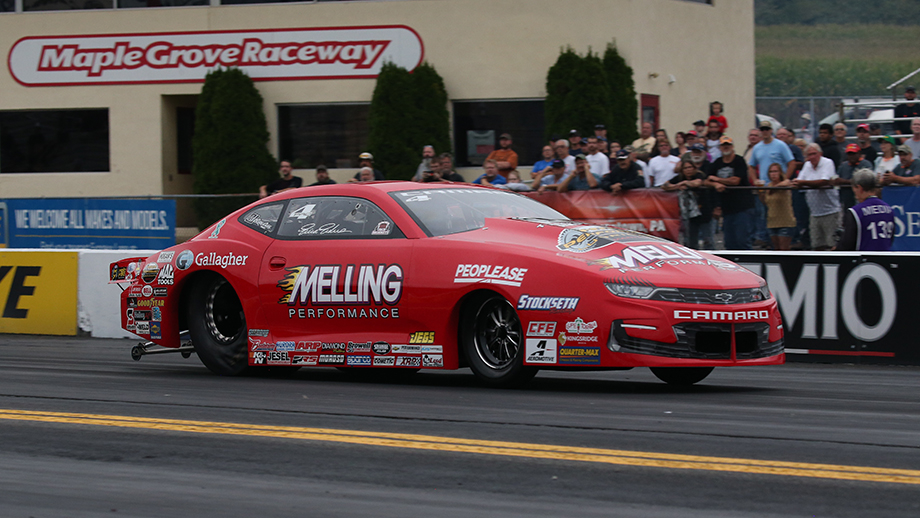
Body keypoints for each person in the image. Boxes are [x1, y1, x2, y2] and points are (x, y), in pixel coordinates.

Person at [706, 136, 755, 250]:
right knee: (729, 243)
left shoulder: (739, 161)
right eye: (723, 145)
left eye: (728, 145)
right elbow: (706, 180)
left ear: (732, 147)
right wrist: (715, 184)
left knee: (742, 241)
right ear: (720, 147)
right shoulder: (717, 162)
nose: (726, 147)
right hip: (727, 209)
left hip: (743, 207)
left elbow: (735, 180)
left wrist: (717, 180)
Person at [791, 144, 841, 251]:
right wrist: (804, 183)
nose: (812, 157)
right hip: (814, 212)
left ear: (820, 154)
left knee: (832, 244)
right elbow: (798, 183)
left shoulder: (827, 163)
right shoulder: (807, 165)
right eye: (809, 155)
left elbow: (824, 182)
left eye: (814, 154)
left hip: (830, 211)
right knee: (816, 245)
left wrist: (804, 183)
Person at [834, 169, 895, 251]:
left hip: (863, 260)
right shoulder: (889, 210)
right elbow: (891, 238)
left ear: (859, 188)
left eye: (854, 188)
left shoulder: (855, 212)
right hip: (884, 259)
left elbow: (848, 243)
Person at [663, 159, 713, 249]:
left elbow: (696, 183)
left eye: (690, 167)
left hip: (704, 211)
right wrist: (678, 186)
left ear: (694, 168)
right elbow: (665, 186)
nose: (688, 170)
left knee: (707, 239)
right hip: (689, 214)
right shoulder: (680, 177)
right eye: (685, 168)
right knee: (690, 240)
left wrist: (684, 183)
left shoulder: (699, 175)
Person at [759, 163, 796, 251]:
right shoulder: (768, 186)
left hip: (785, 221)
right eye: (771, 172)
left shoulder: (784, 183)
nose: (773, 174)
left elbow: (787, 183)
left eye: (775, 171)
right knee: (776, 249)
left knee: (784, 249)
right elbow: (765, 202)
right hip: (772, 221)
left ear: (780, 172)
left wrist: (774, 188)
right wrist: (760, 192)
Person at [836, 144, 872, 209]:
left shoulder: (866, 164)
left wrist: (844, 181)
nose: (851, 156)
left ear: (859, 154)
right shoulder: (843, 165)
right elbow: (837, 178)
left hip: (862, 198)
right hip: (846, 198)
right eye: (849, 154)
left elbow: (866, 181)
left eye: (853, 154)